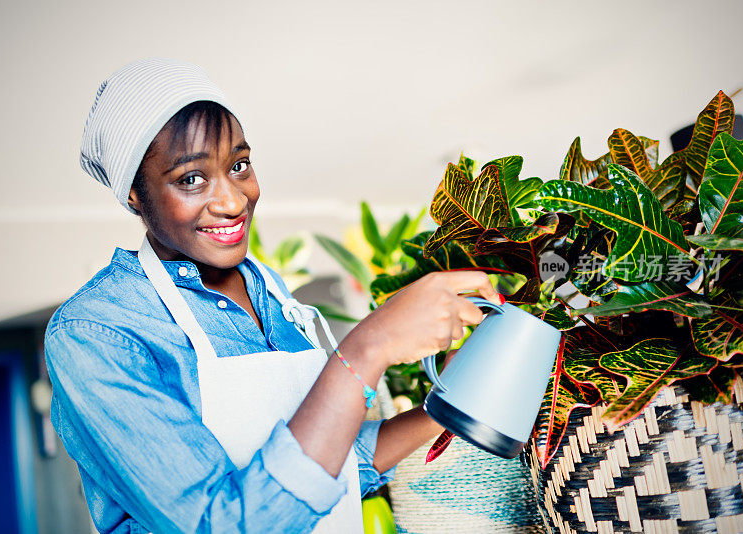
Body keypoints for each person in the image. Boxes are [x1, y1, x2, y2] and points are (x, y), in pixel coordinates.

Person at [44, 58, 503, 534]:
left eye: (239, 165)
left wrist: (442, 411)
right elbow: (220, 525)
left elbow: (335, 468)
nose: (233, 200)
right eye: (191, 179)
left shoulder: (266, 287)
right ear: (135, 196)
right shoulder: (96, 332)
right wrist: (368, 348)